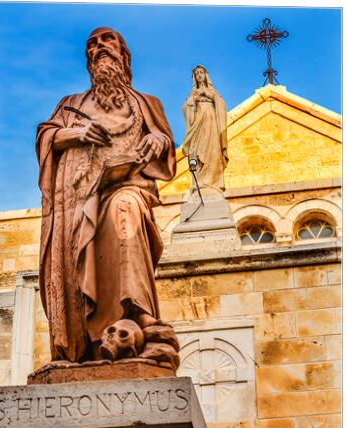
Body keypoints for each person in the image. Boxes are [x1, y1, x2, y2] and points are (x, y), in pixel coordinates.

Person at [36, 27, 176, 363]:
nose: (98, 47)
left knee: (124, 209)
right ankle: (88, 336)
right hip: (80, 196)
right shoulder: (71, 105)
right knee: (83, 237)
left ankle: (137, 315)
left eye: (106, 41)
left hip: (127, 186)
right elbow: (46, 136)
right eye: (92, 44)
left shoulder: (146, 104)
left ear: (123, 55)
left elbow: (167, 148)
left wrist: (158, 140)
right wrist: (79, 132)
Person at [182, 65, 228, 193]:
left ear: (206, 75)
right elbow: (185, 107)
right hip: (198, 123)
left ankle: (213, 181)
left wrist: (209, 95)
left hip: (211, 121)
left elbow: (221, 104)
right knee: (198, 149)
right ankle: (200, 181)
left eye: (201, 72)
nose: (199, 75)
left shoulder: (212, 91)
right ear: (194, 77)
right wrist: (194, 100)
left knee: (212, 150)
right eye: (197, 73)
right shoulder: (193, 93)